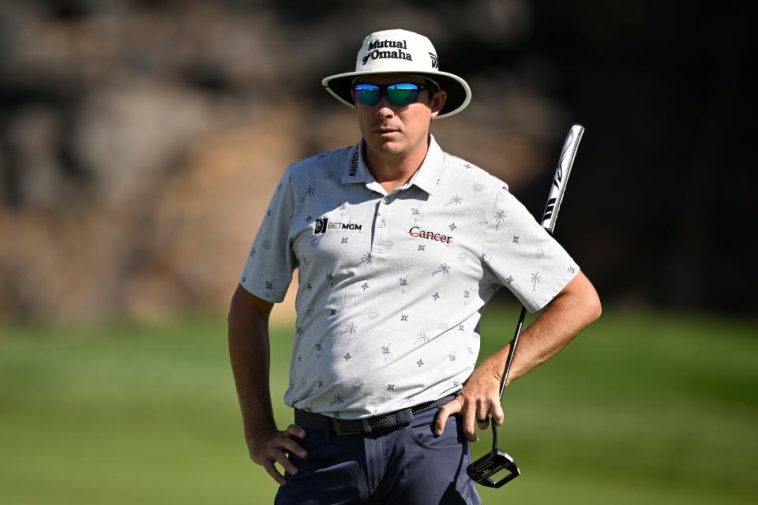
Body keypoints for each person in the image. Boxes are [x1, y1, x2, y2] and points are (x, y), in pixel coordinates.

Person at [228, 28, 601, 505]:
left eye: (404, 91)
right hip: (319, 450)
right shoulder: (305, 184)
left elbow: (578, 301)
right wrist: (258, 429)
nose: (385, 107)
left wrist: (491, 375)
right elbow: (249, 306)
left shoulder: (477, 196)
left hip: (428, 443)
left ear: (436, 101)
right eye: (369, 92)